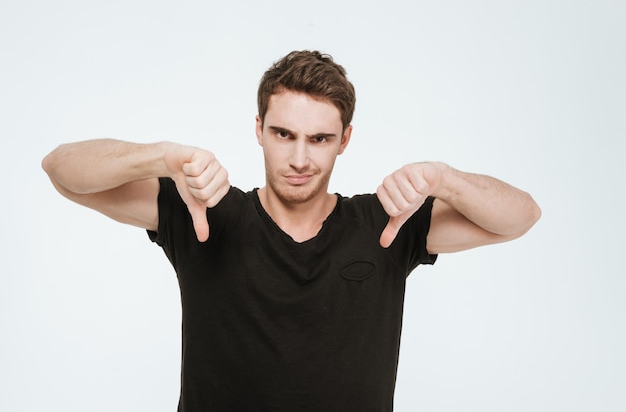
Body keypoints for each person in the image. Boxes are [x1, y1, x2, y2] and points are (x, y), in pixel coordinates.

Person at [42, 50, 541, 412]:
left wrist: (445, 180)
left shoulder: (387, 224)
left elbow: (521, 216)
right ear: (258, 128)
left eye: (319, 139)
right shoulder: (204, 212)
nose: (299, 159)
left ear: (344, 140)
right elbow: (62, 170)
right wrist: (162, 158)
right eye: (283, 134)